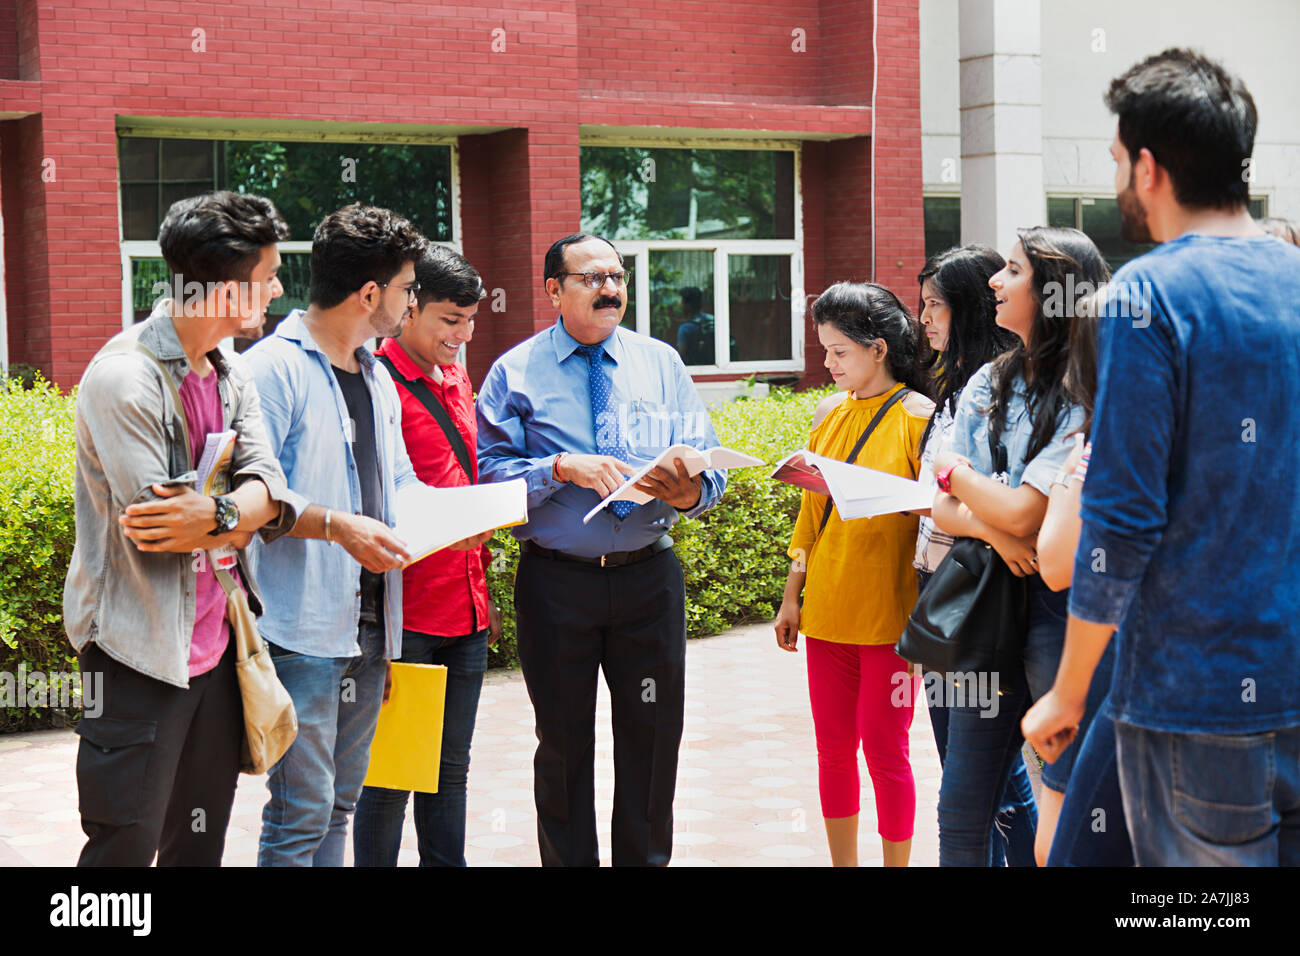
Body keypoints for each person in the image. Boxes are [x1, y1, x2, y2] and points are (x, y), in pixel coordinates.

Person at [1023, 49, 1300, 866]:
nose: (1119, 182)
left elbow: (1122, 519)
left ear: (1148, 167)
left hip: (1198, 700)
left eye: (1116, 161)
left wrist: (1068, 693)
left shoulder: (1146, 298)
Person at [476, 233, 728, 866]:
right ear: (554, 290)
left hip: (648, 580)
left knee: (652, 738)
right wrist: (556, 468)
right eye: (591, 278)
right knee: (561, 743)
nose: (610, 288)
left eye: (617, 276)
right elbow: (486, 476)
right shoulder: (514, 370)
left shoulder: (661, 363)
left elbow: (709, 469)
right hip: (557, 583)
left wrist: (691, 489)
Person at [64, 190, 297, 866]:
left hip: (218, 649)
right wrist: (241, 512)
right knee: (124, 845)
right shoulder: (125, 376)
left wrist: (226, 514)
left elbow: (271, 489)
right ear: (224, 289)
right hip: (139, 652)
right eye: (267, 277)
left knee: (199, 839)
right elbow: (162, 528)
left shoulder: (229, 371)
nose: (277, 289)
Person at [244, 204, 480, 866]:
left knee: (339, 805)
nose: (412, 305)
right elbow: (253, 495)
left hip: (372, 624)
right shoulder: (274, 369)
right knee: (300, 814)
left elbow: (400, 485)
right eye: (408, 290)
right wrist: (338, 526)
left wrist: (457, 522)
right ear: (371, 293)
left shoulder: (373, 374)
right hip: (301, 633)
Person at [929, 225, 1111, 867]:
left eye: (1011, 270)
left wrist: (961, 478)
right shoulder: (986, 380)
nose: (993, 282)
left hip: (1059, 608)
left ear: (1055, 291)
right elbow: (943, 509)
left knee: (1075, 801)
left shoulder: (1089, 388)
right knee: (962, 811)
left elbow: (1026, 512)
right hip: (986, 599)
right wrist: (987, 524)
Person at [773, 283, 934, 867]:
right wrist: (793, 596)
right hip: (828, 610)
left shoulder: (920, 418)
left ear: (879, 349)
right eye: (824, 350)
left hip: (892, 612)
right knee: (833, 751)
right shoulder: (828, 414)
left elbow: (935, 517)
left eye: (839, 351)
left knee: (887, 752)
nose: (828, 363)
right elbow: (808, 517)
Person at [353, 245, 499, 867]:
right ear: (408, 308)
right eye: (448, 320)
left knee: (450, 771)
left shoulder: (457, 375)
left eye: (470, 321)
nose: (462, 336)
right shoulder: (373, 382)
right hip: (405, 615)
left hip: (467, 610)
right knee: (389, 779)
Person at [913, 245, 1036, 866]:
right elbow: (945, 491)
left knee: (969, 784)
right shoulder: (965, 384)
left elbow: (1011, 505)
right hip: (944, 585)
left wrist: (964, 500)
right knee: (987, 772)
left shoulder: (1010, 388)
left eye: (936, 305)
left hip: (984, 597)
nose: (925, 319)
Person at [675, 286, 715, 365]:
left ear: (688, 305)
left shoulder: (685, 328)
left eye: (682, 302)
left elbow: (680, 358)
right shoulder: (712, 320)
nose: (680, 305)